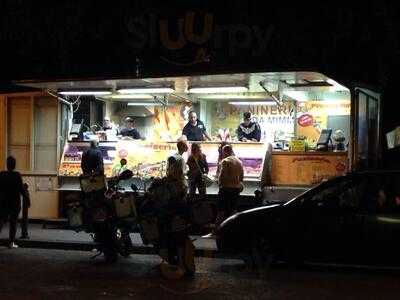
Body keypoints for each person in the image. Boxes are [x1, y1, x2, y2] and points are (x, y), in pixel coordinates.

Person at [0, 156, 25, 248]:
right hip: (14, 202)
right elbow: (21, 189)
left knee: (1, 221)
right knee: (13, 223)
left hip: (3, 202)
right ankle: (11, 242)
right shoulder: (17, 175)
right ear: (14, 165)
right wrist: (27, 198)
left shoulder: (1, 174)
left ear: (7, 165)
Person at [217, 144, 244, 223]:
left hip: (225, 189)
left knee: (221, 211)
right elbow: (242, 177)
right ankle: (233, 227)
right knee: (233, 210)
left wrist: (219, 184)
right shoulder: (239, 161)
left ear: (224, 152)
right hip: (236, 189)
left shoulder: (225, 161)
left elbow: (222, 176)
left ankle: (217, 230)